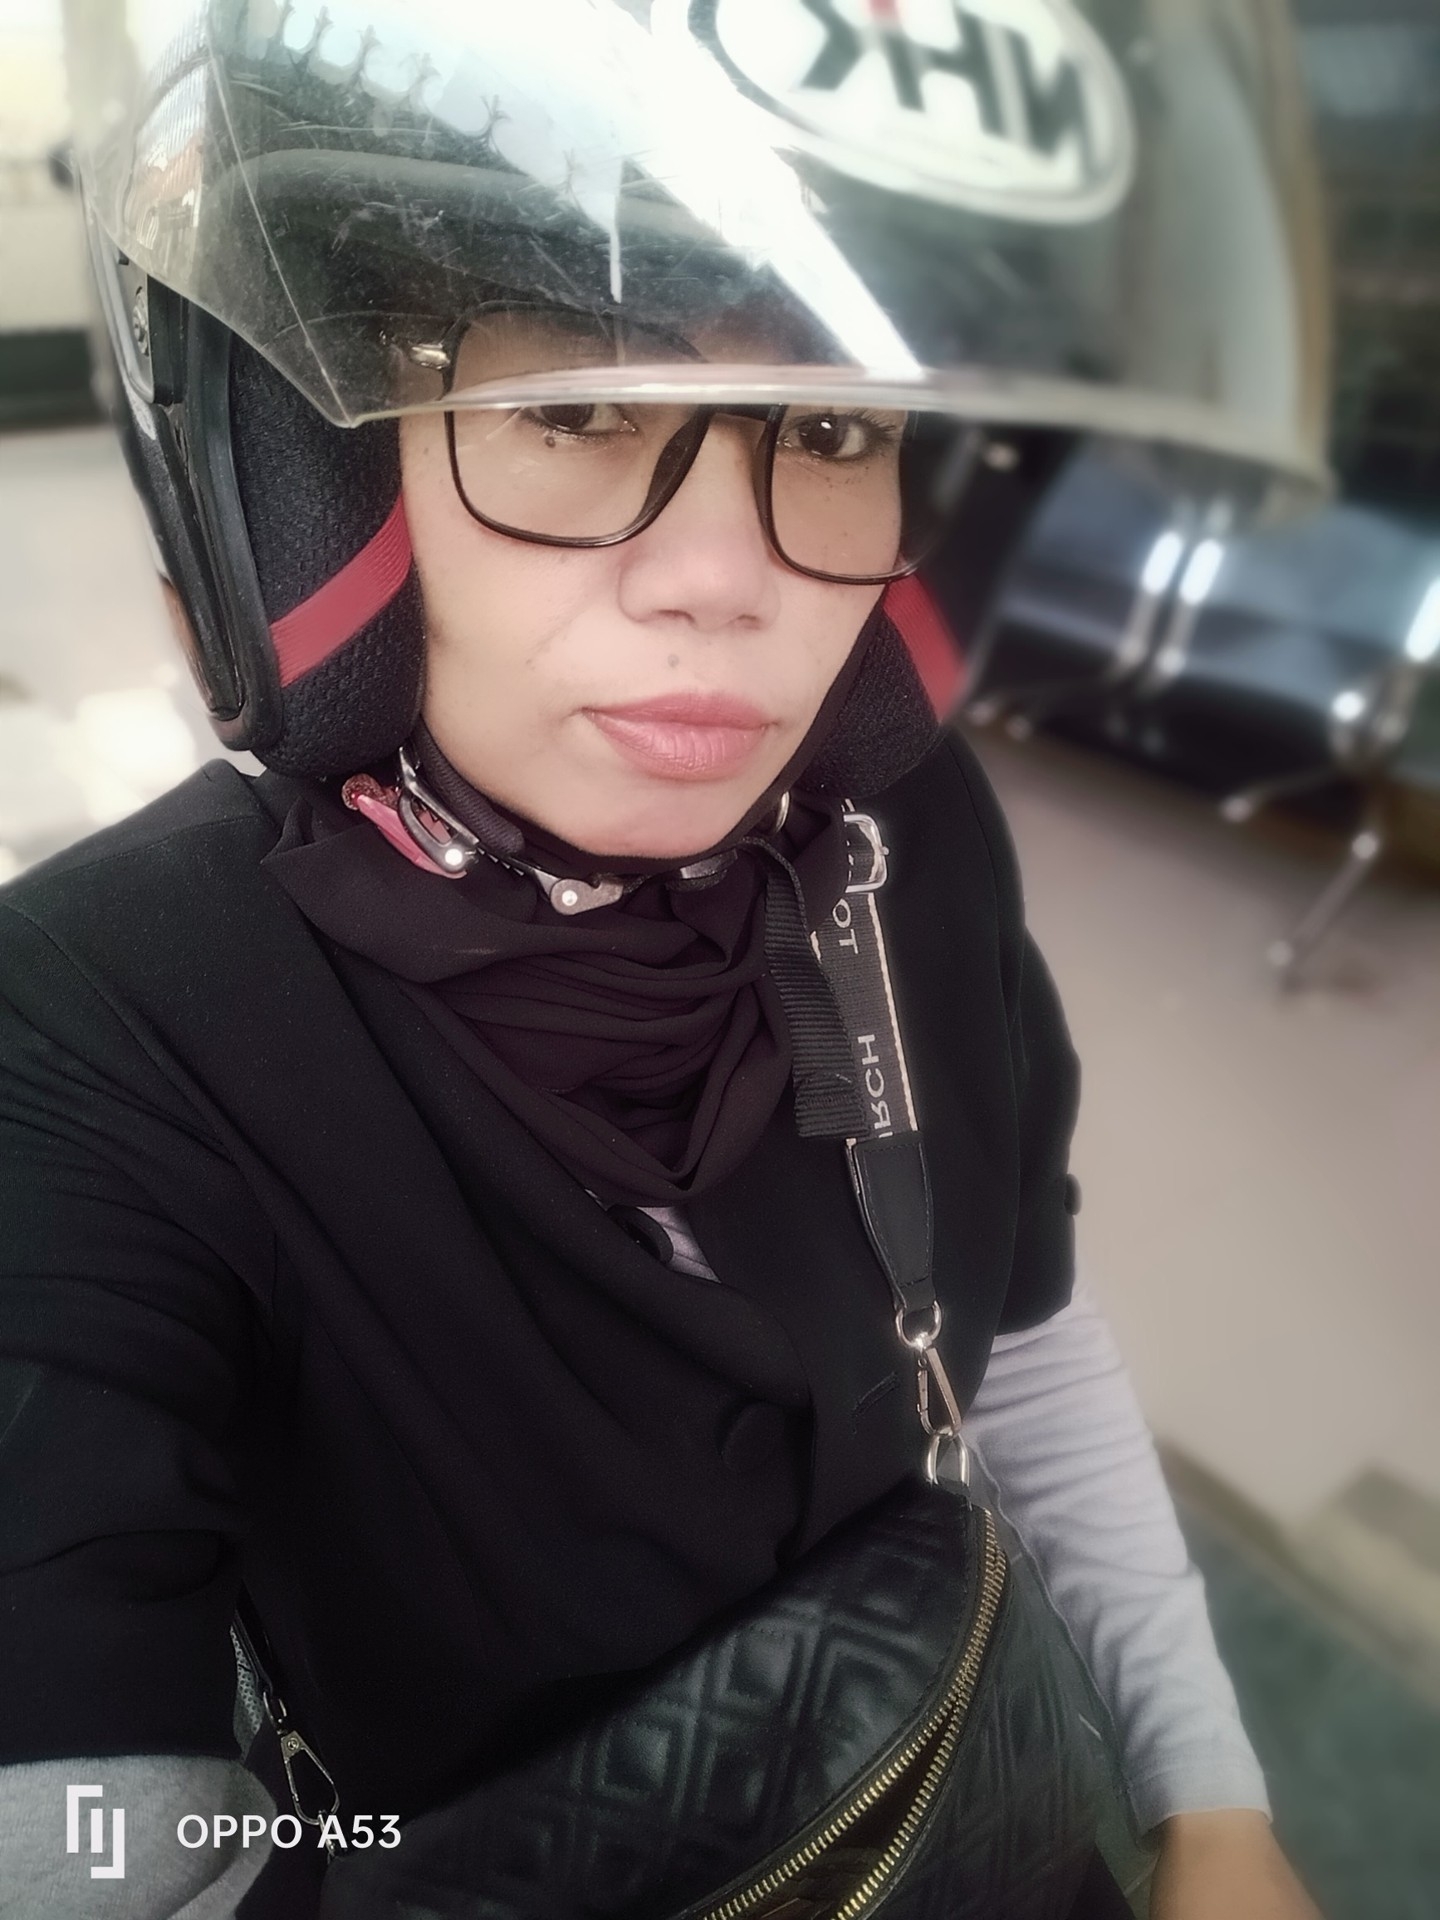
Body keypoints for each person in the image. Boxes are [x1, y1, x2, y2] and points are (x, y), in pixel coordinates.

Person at [3, 1, 1330, 1915]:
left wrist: (1208, 1798)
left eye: (833, 428)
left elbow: (1026, 1335)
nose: (730, 578)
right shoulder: (87, 1028)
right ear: (311, 489)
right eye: (571, 409)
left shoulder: (909, 839)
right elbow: (83, 1844)